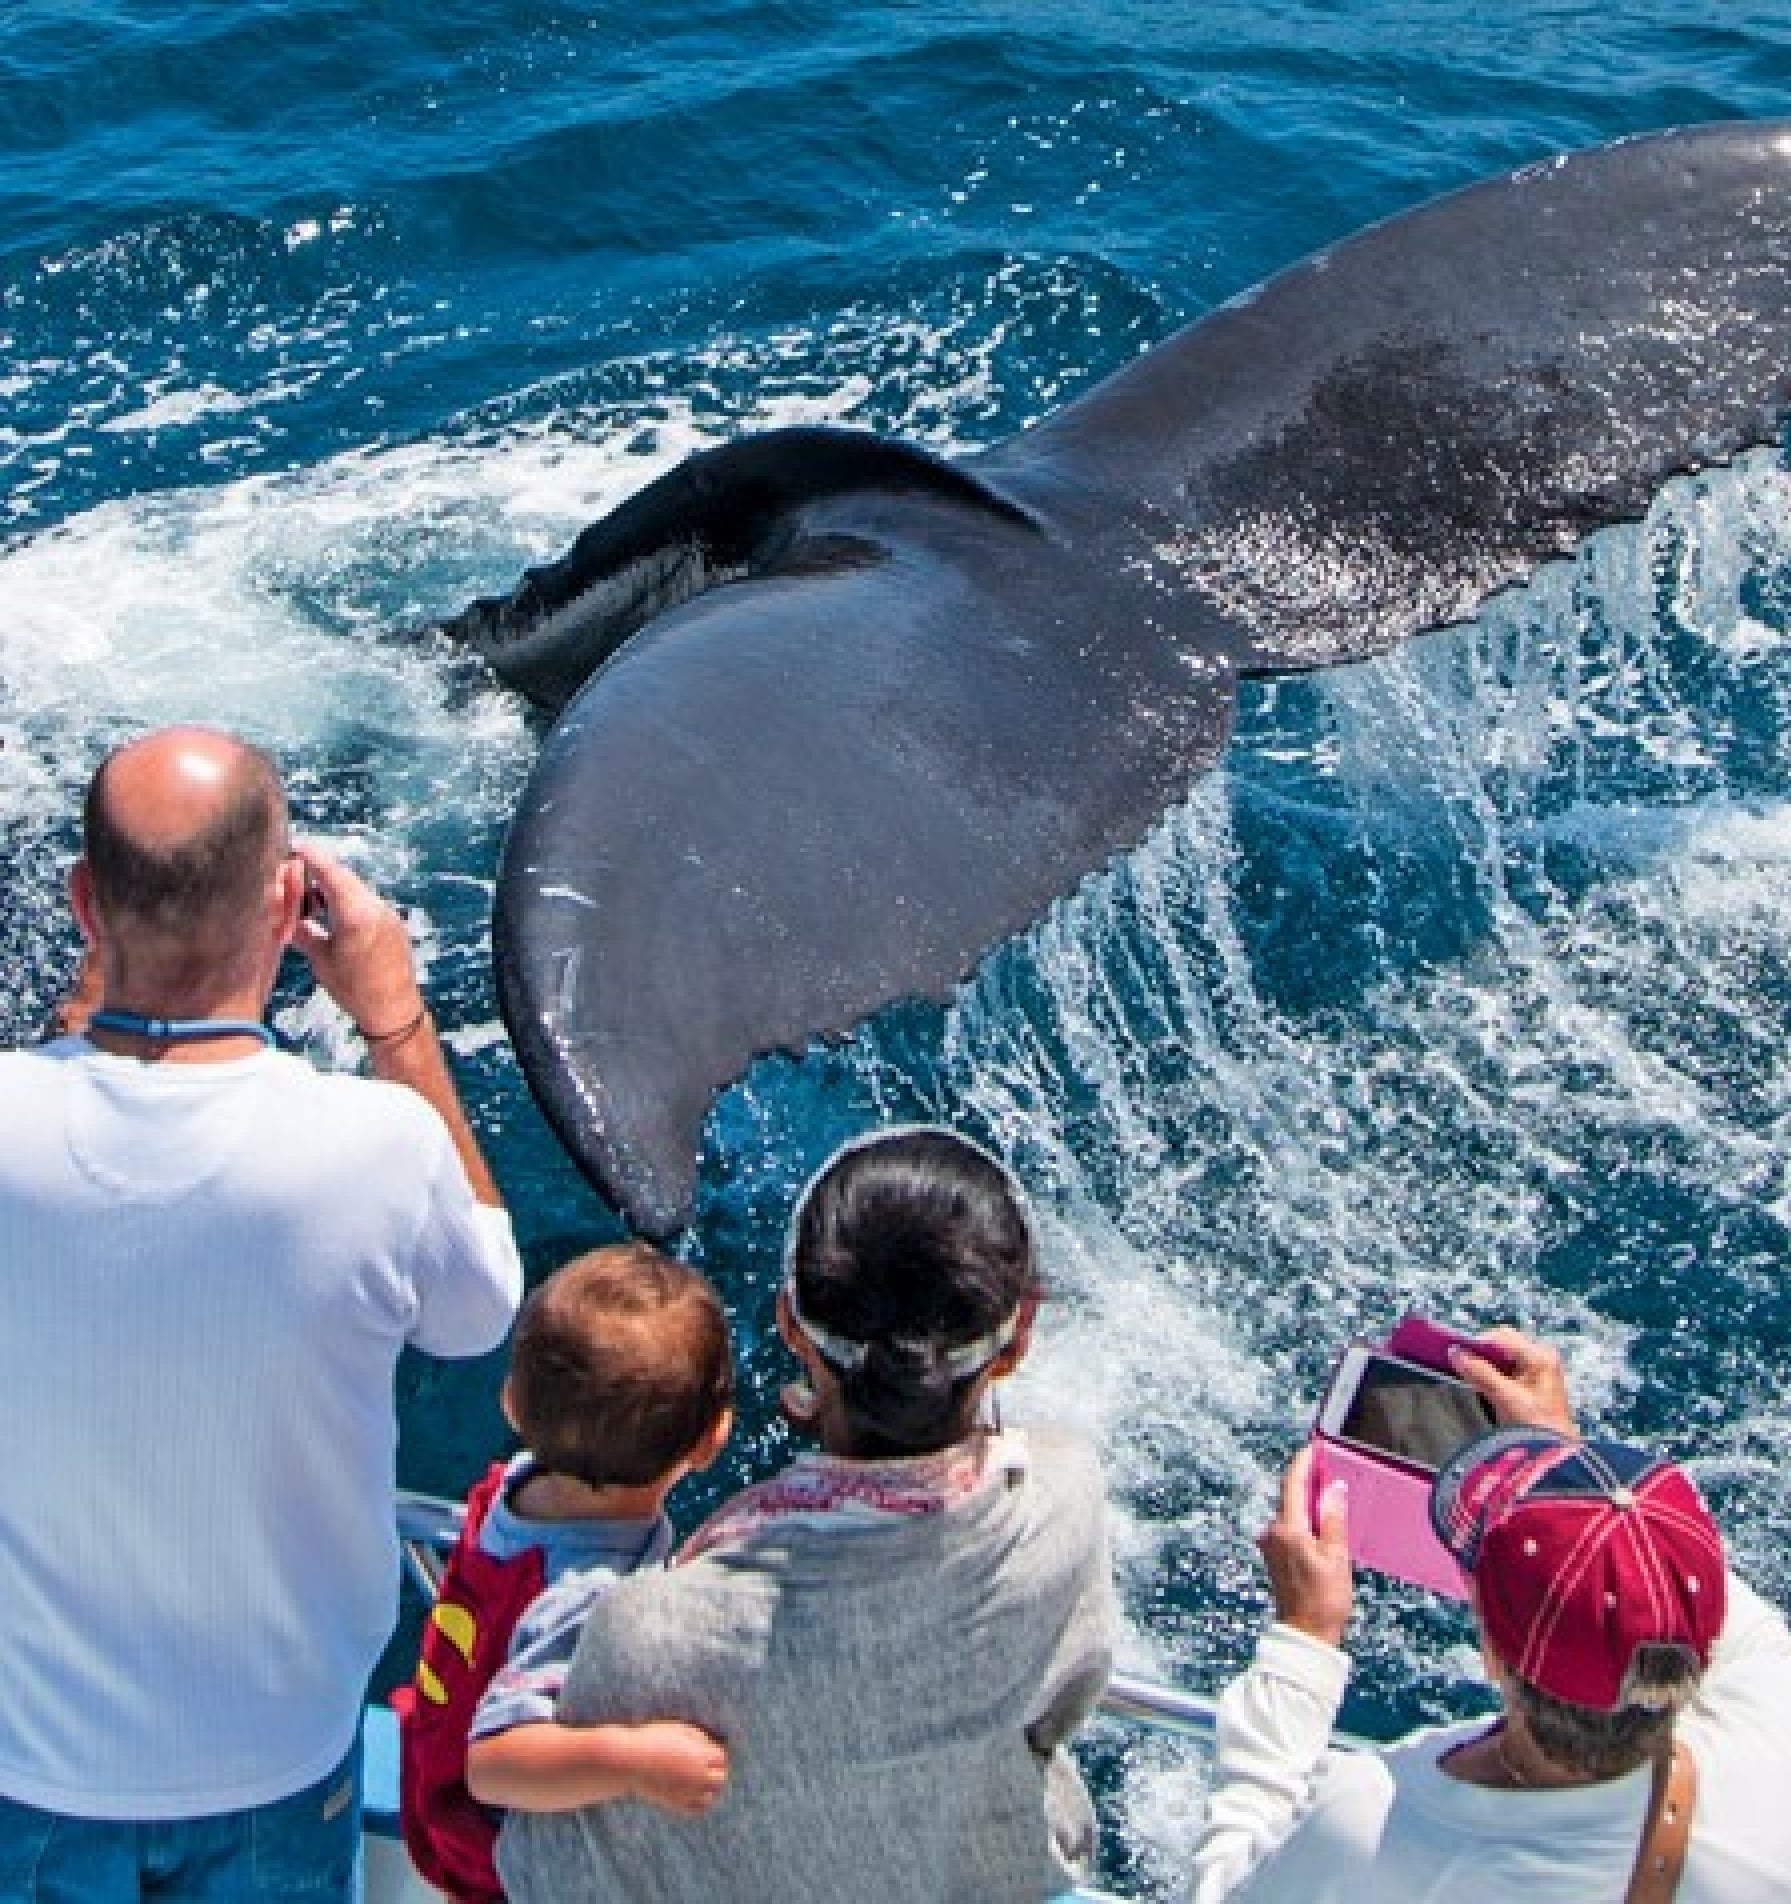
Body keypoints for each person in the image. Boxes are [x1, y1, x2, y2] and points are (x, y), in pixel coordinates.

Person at [0, 725, 523, 1901]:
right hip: (275, 1764)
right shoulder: (373, 1146)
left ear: (85, 902)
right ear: (292, 901)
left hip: (21, 1769)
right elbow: (482, 1302)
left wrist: (98, 991)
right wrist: (395, 1023)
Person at [496, 1125, 1118, 1904]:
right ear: (1016, 1337)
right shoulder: (1065, 1500)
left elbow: (544, 1871)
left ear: (789, 1322)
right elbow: (1064, 1700)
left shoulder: (647, 1629)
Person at [1193, 1328, 1791, 1902]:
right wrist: (1567, 1468)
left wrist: (1304, 1640)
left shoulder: (1377, 1826)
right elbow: (1668, 1589)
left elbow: (1228, 1887)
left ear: (1491, 1652)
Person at [398, 1241, 734, 1902]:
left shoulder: (515, 1489)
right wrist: (638, 1763)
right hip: (495, 1864)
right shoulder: (585, 1596)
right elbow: (495, 1762)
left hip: (429, 1785)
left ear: (512, 1406)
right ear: (710, 1441)